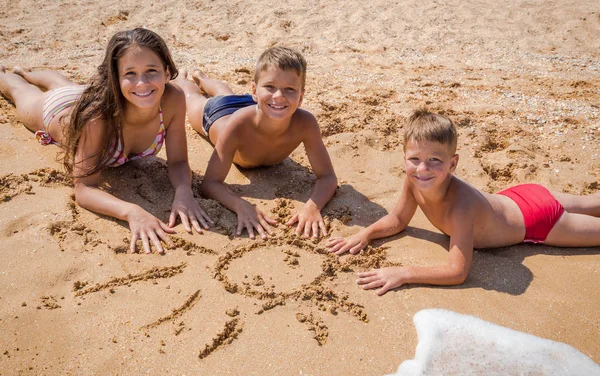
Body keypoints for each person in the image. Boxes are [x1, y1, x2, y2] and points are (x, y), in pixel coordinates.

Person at [327, 108, 600, 295]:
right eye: (415, 159)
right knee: (592, 202)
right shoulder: (414, 182)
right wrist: (366, 233)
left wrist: (404, 273)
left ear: (453, 163)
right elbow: (398, 220)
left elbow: (457, 272)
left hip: (538, 222)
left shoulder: (461, 207)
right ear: (404, 159)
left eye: (435, 160)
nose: (423, 169)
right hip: (519, 195)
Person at [0, 28, 212, 254]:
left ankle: (27, 70)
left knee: (65, 84)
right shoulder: (97, 118)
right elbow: (84, 188)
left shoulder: (172, 99)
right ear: (115, 77)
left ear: (167, 72)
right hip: (58, 110)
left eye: (151, 70)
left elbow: (178, 161)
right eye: (130, 73)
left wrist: (183, 191)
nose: (142, 83)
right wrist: (132, 212)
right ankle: (11, 74)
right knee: (20, 90)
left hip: (99, 95)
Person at [172, 46, 337, 240]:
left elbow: (328, 177)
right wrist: (240, 204)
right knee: (193, 99)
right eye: (270, 87)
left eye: (289, 89)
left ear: (301, 97)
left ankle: (203, 79)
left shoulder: (306, 123)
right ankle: (183, 80)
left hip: (258, 107)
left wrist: (312, 206)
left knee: (226, 93)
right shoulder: (237, 126)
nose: (278, 96)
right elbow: (210, 184)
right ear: (254, 90)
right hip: (218, 114)